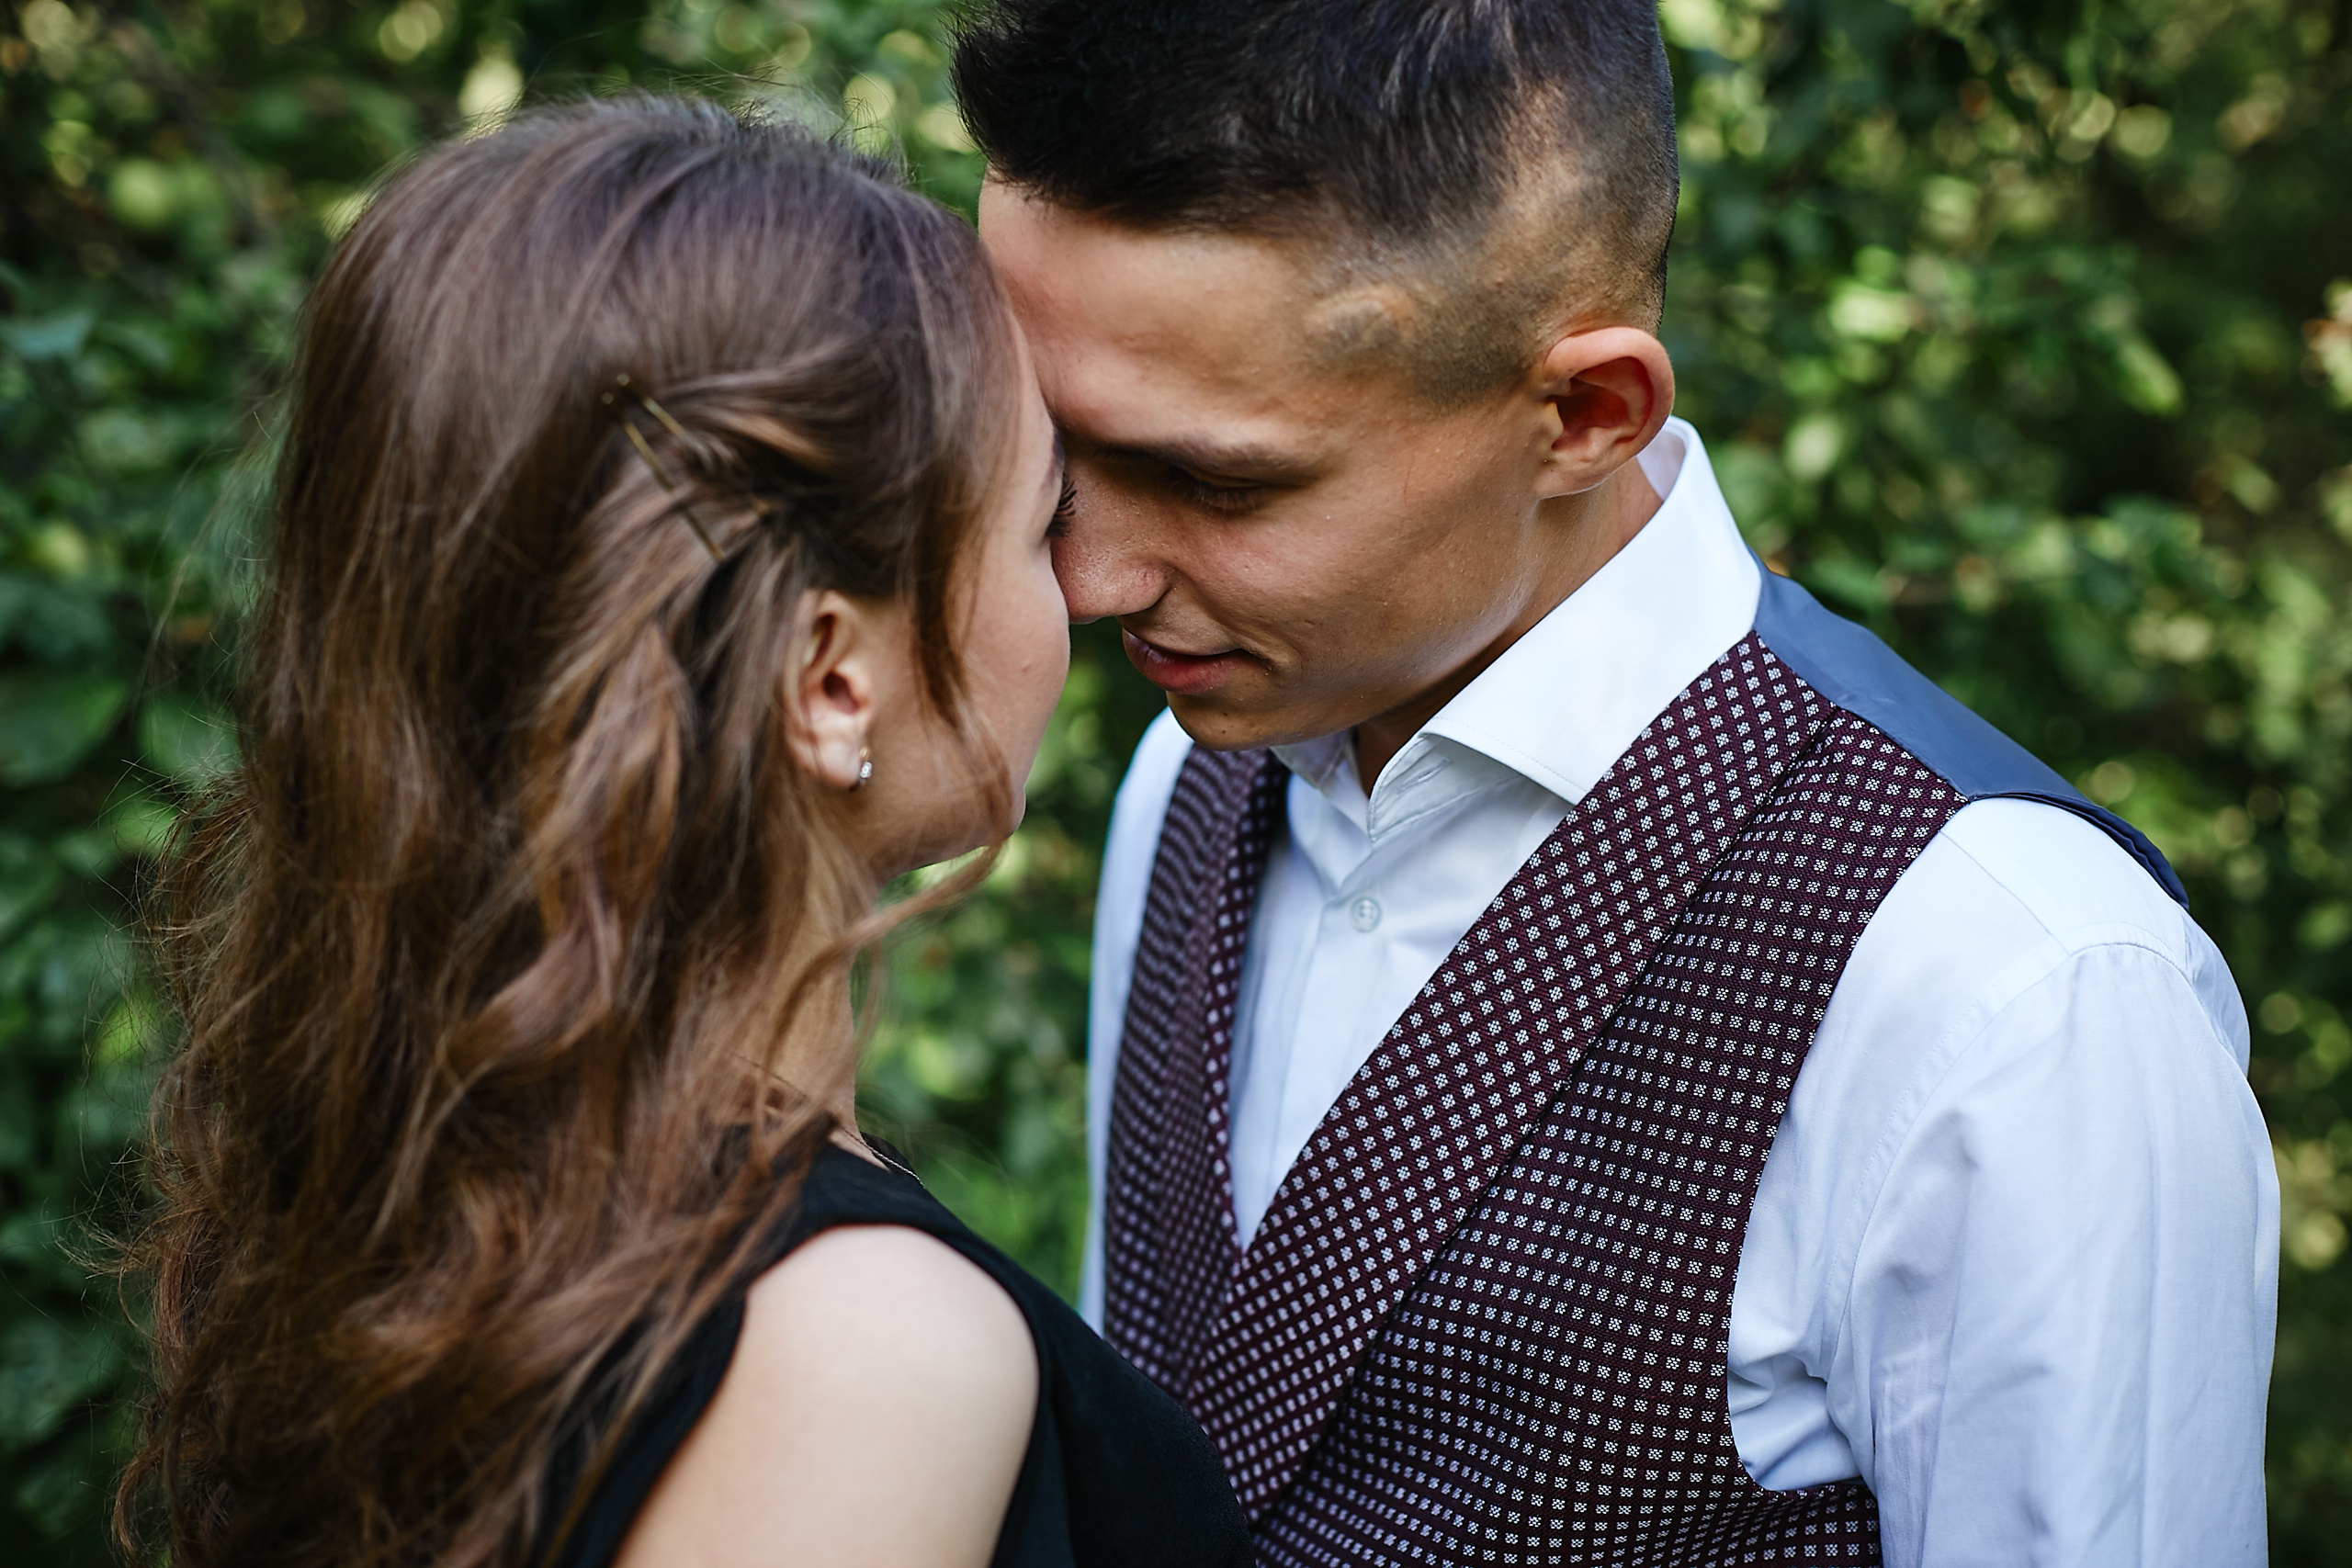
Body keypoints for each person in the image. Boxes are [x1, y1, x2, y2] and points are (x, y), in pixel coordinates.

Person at [952, 3, 2278, 1564]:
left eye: (1221, 481)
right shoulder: (1189, 785)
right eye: (1053, 447)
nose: (1091, 577)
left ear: (1585, 415)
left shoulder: (2013, 988)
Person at [114, 97, 1250, 1568]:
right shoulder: (863, 1361)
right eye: (1043, 523)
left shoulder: (434, 1170)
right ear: (830, 676)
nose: (1090, 585)